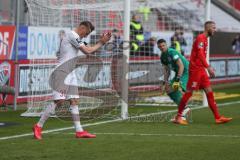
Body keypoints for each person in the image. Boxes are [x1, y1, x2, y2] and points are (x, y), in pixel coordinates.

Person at [32, 21, 111, 140]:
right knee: (59, 101)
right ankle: (38, 126)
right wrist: (101, 42)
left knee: (74, 100)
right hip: (61, 72)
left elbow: (89, 48)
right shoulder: (71, 35)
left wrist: (101, 42)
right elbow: (88, 51)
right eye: (87, 33)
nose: (86, 35)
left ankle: (79, 131)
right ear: (82, 27)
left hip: (71, 73)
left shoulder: (77, 38)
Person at [174, 21, 232, 125]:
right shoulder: (200, 38)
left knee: (209, 92)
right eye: (213, 28)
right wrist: (208, 67)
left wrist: (206, 68)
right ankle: (178, 117)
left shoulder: (205, 39)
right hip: (195, 70)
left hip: (201, 71)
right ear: (208, 28)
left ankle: (218, 117)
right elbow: (200, 54)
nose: (215, 30)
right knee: (188, 93)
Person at [157, 39, 191, 120]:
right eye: (160, 46)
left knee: (176, 88)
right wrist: (164, 83)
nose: (162, 47)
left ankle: (183, 112)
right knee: (168, 89)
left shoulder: (172, 52)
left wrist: (177, 80)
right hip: (179, 73)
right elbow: (166, 70)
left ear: (166, 45)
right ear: (158, 47)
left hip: (187, 71)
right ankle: (183, 110)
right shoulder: (162, 57)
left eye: (163, 45)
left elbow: (181, 66)